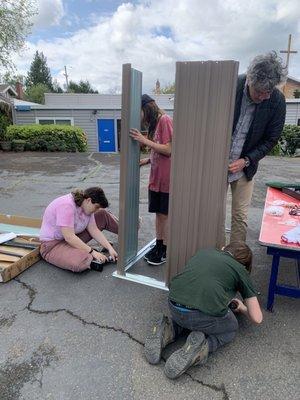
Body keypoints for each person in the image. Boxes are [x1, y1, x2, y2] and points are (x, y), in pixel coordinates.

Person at [144, 242, 263, 379]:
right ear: (244, 265)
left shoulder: (204, 252)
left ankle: (167, 329)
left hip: (174, 304)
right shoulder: (240, 270)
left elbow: (201, 283)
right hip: (199, 316)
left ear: (224, 249)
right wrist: (242, 308)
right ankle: (201, 349)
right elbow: (257, 318)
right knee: (231, 327)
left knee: (190, 315)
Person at [227, 51, 287, 244]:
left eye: (268, 92)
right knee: (212, 213)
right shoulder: (230, 85)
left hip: (246, 167)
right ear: (249, 80)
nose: (264, 96)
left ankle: (236, 261)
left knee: (240, 216)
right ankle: (217, 258)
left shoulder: (276, 100)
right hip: (217, 163)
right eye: (260, 92)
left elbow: (271, 139)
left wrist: (246, 160)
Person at [130, 94, 173, 266]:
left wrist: (144, 140)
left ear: (146, 109)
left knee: (164, 215)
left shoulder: (165, 120)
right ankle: (159, 245)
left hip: (166, 179)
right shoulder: (155, 124)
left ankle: (165, 251)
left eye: (139, 111)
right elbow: (159, 150)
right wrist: (147, 160)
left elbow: (169, 149)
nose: (138, 116)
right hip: (156, 178)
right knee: (159, 215)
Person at [39, 187, 118, 272]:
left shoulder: (86, 207)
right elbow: (69, 237)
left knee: (103, 214)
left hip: (70, 239)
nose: (96, 210)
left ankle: (132, 232)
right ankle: (85, 255)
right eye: (96, 207)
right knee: (81, 261)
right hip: (53, 246)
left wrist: (110, 248)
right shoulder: (66, 205)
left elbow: (94, 230)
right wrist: (92, 252)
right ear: (88, 200)